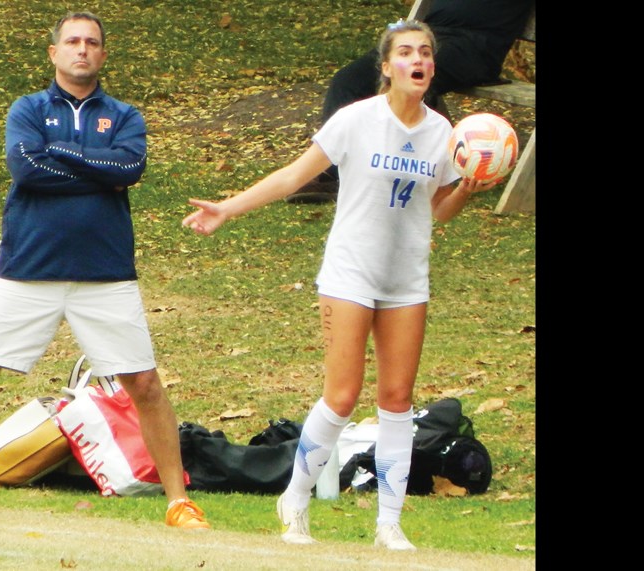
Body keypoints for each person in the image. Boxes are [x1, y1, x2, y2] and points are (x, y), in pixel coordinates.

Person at [182, 19, 499, 550]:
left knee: (397, 399)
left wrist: (468, 183)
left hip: (406, 280)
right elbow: (293, 175)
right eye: (405, 52)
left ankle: (389, 525)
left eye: (425, 53)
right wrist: (227, 208)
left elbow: (439, 211)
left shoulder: (445, 133)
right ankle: (297, 496)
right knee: (343, 395)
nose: (417, 60)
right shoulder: (356, 120)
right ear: (387, 67)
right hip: (350, 271)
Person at [0, 11, 209, 530]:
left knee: (145, 384)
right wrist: (94, 165)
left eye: (91, 42)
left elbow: (129, 168)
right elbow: (24, 167)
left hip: (104, 273)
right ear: (54, 52)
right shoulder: (27, 108)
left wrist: (60, 155)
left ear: (103, 54)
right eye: (72, 42)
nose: (82, 49)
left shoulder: (125, 115)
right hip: (28, 269)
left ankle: (178, 502)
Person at [287, 0, 534, 203]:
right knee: (347, 80)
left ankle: (396, 172)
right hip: (429, 37)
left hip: (475, 46)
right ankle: (333, 173)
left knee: (413, 84)